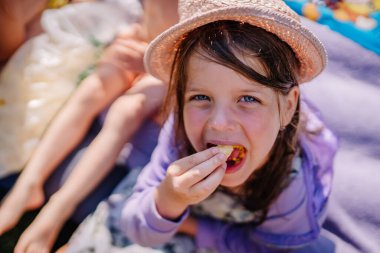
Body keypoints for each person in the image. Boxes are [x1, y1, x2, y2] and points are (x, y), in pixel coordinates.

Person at [97, 0, 338, 252]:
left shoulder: (294, 182)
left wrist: (195, 227)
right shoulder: (179, 130)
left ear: (289, 107)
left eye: (248, 99)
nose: (219, 123)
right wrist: (169, 198)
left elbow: (269, 249)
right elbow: (134, 226)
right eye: (201, 97)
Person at [0, 0, 179, 252]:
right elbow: (146, 21)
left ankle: (55, 212)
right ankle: (27, 186)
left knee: (128, 108)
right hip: (146, 49)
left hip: (174, 70)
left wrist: (159, 65)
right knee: (97, 84)